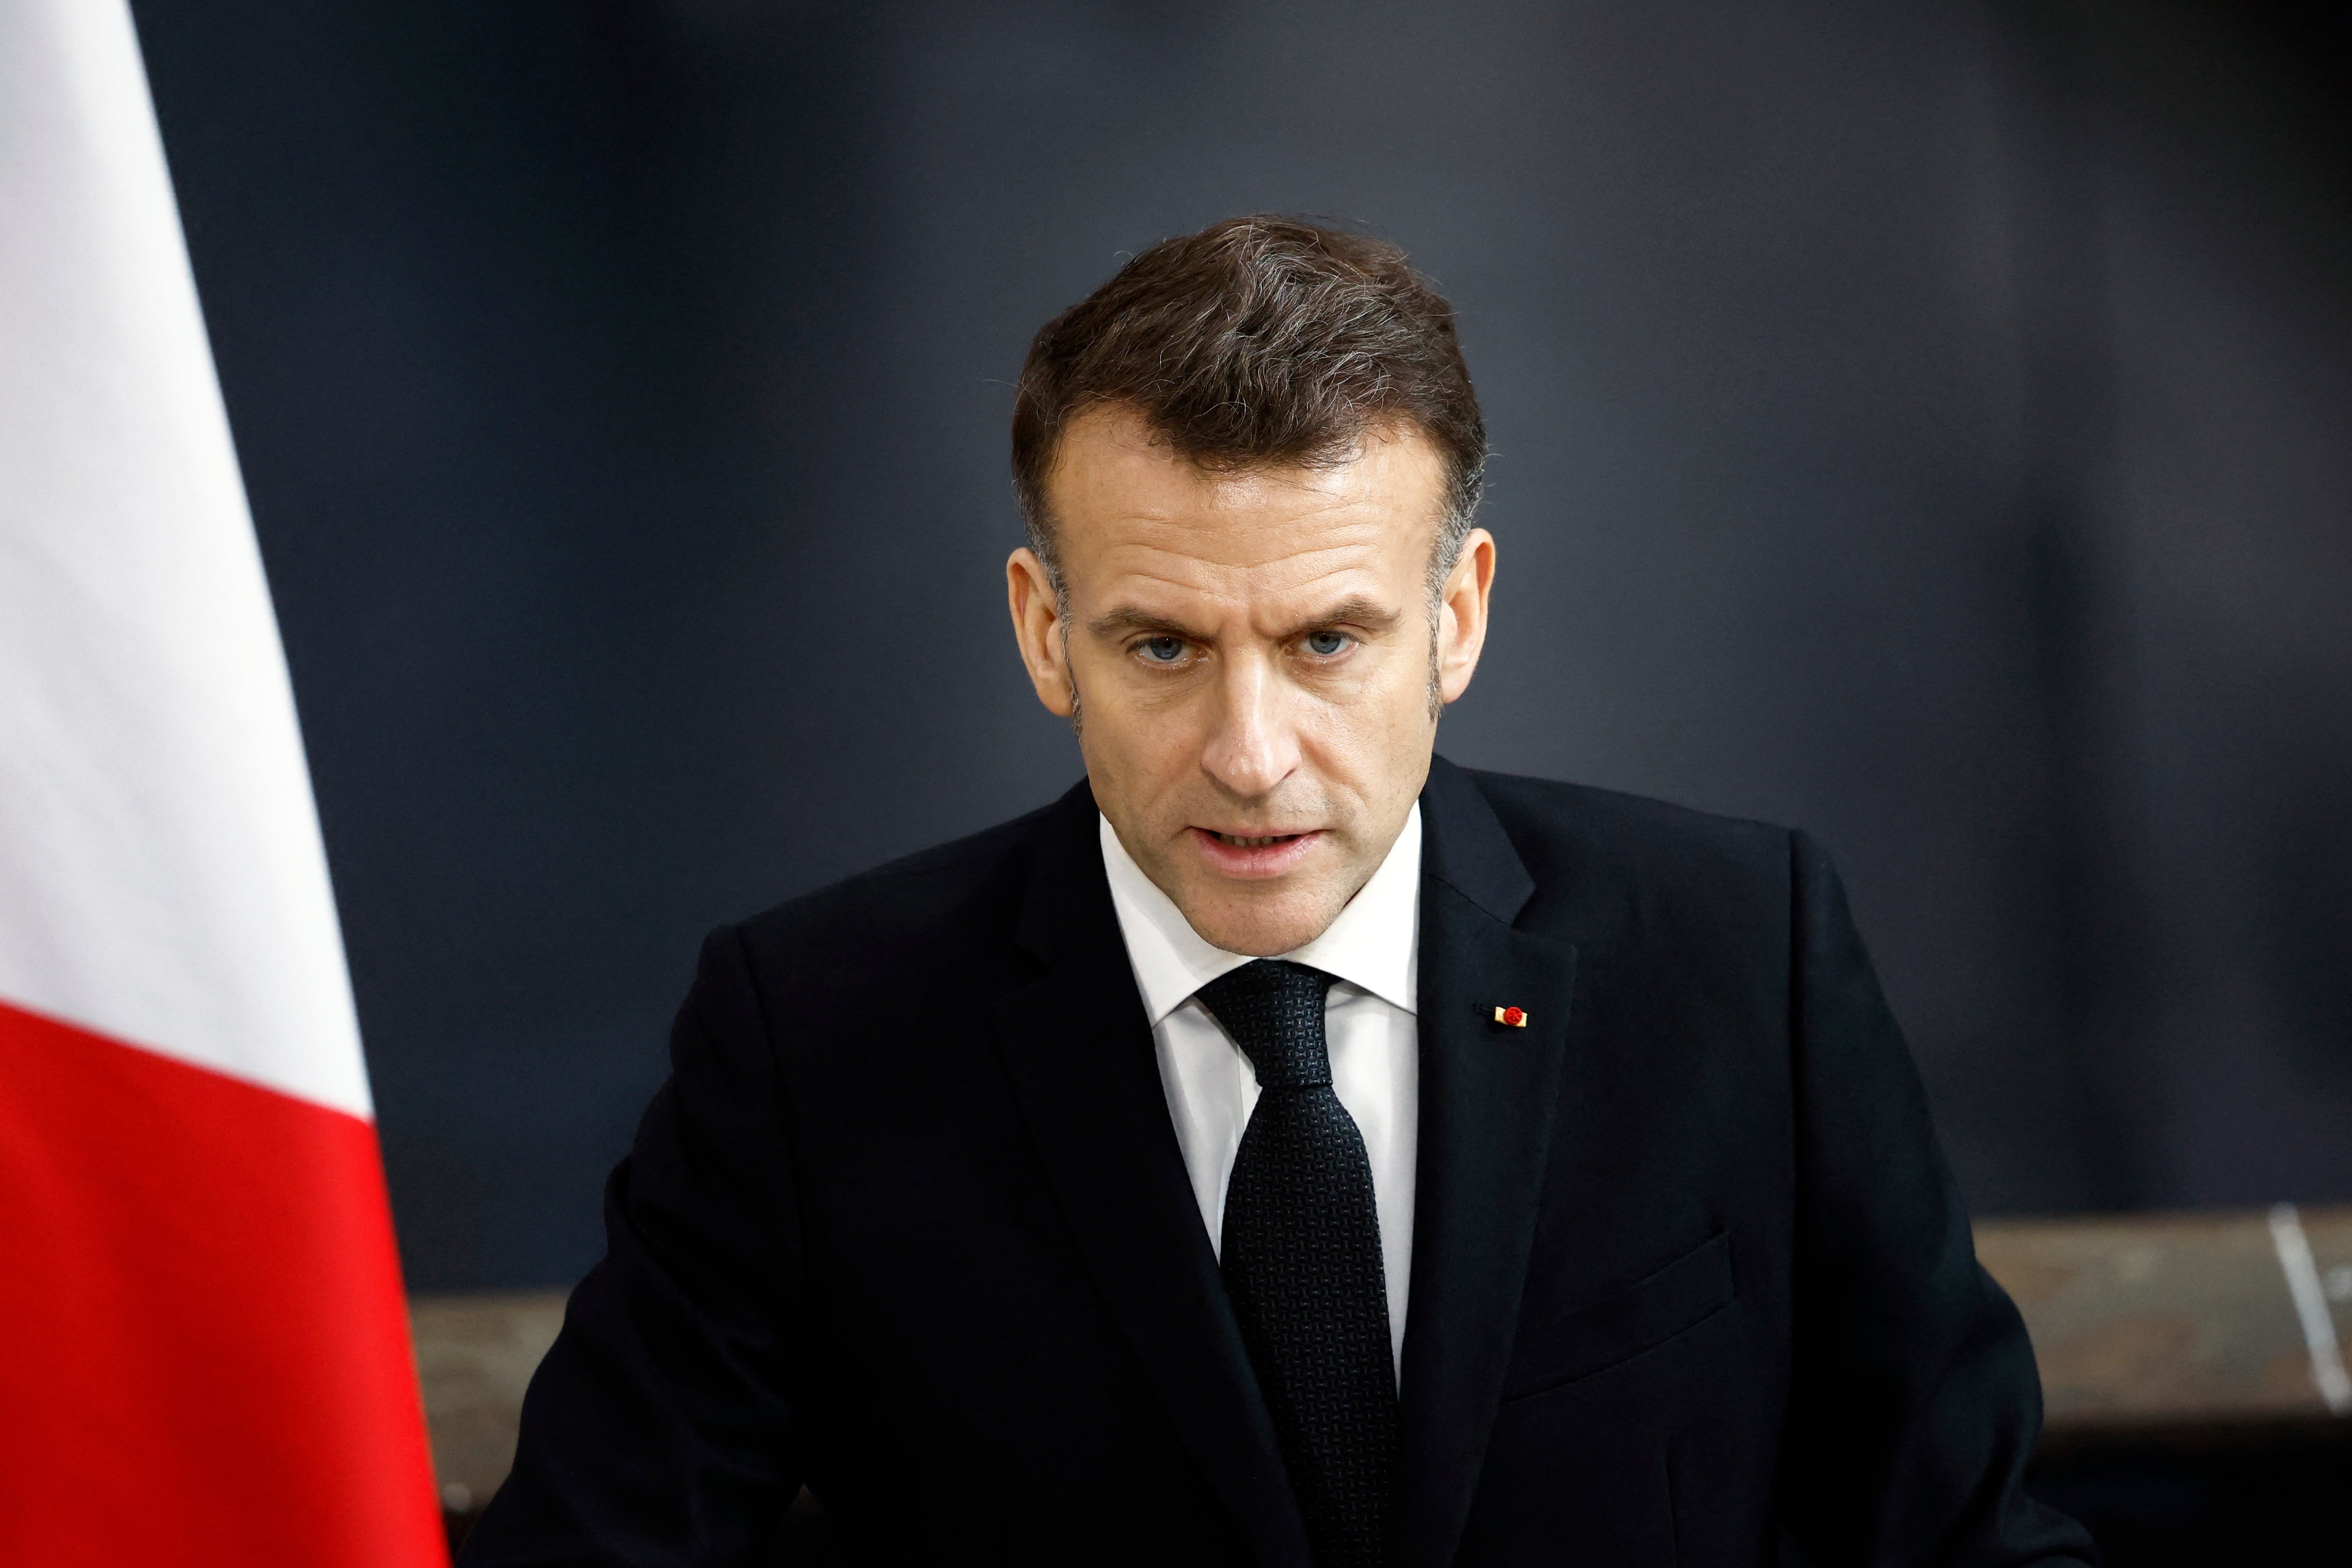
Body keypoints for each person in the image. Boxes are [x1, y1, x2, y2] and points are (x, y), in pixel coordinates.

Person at [460, 216, 2094, 1567]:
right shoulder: (812, 1042)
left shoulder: (1743, 959)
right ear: (1045, 630)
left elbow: (1971, 1546)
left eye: (1327, 640)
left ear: (1455, 616)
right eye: (1160, 646)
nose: (1248, 753)